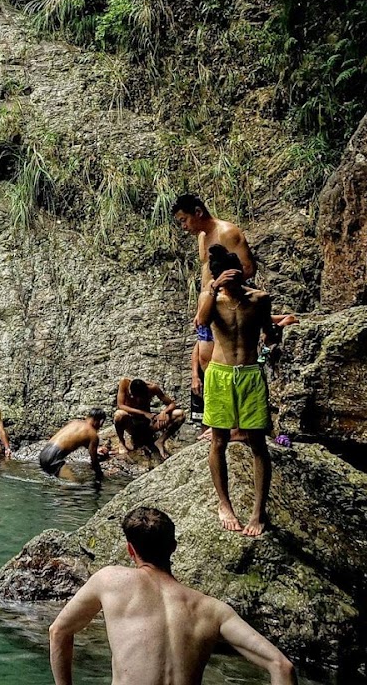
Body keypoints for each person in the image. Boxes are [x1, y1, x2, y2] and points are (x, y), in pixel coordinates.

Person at [48, 506, 296, 684]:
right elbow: (282, 666)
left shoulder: (110, 580)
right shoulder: (213, 610)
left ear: (130, 550)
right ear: (173, 548)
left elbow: (59, 631)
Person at [201, 245, 288, 536]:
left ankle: (258, 512)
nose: (232, 286)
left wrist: (281, 328)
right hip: (220, 374)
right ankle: (224, 504)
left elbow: (268, 332)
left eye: (234, 279)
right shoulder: (210, 300)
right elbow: (201, 322)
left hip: (250, 374)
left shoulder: (260, 299)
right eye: (226, 281)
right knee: (219, 441)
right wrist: (213, 288)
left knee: (257, 443)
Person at [172, 195, 256, 440]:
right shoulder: (202, 237)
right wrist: (202, 306)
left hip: (229, 302)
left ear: (198, 212)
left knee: (230, 363)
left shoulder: (227, 232)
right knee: (208, 363)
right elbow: (206, 274)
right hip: (208, 304)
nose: (183, 226)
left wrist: (221, 290)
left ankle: (238, 426)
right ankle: (221, 421)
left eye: (184, 220)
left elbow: (248, 269)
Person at [113, 378, 185, 460]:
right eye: (134, 397)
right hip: (131, 424)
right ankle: (122, 442)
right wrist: (143, 413)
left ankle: (160, 441)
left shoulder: (153, 388)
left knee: (179, 414)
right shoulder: (124, 383)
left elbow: (171, 404)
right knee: (119, 415)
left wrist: (164, 412)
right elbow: (120, 405)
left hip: (148, 425)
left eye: (141, 398)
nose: (138, 400)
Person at [38, 409, 108, 478]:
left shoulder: (75, 423)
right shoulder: (93, 434)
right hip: (54, 457)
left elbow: (75, 440)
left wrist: (97, 450)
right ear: (100, 422)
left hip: (43, 454)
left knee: (53, 482)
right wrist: (101, 475)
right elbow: (94, 462)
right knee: (72, 486)